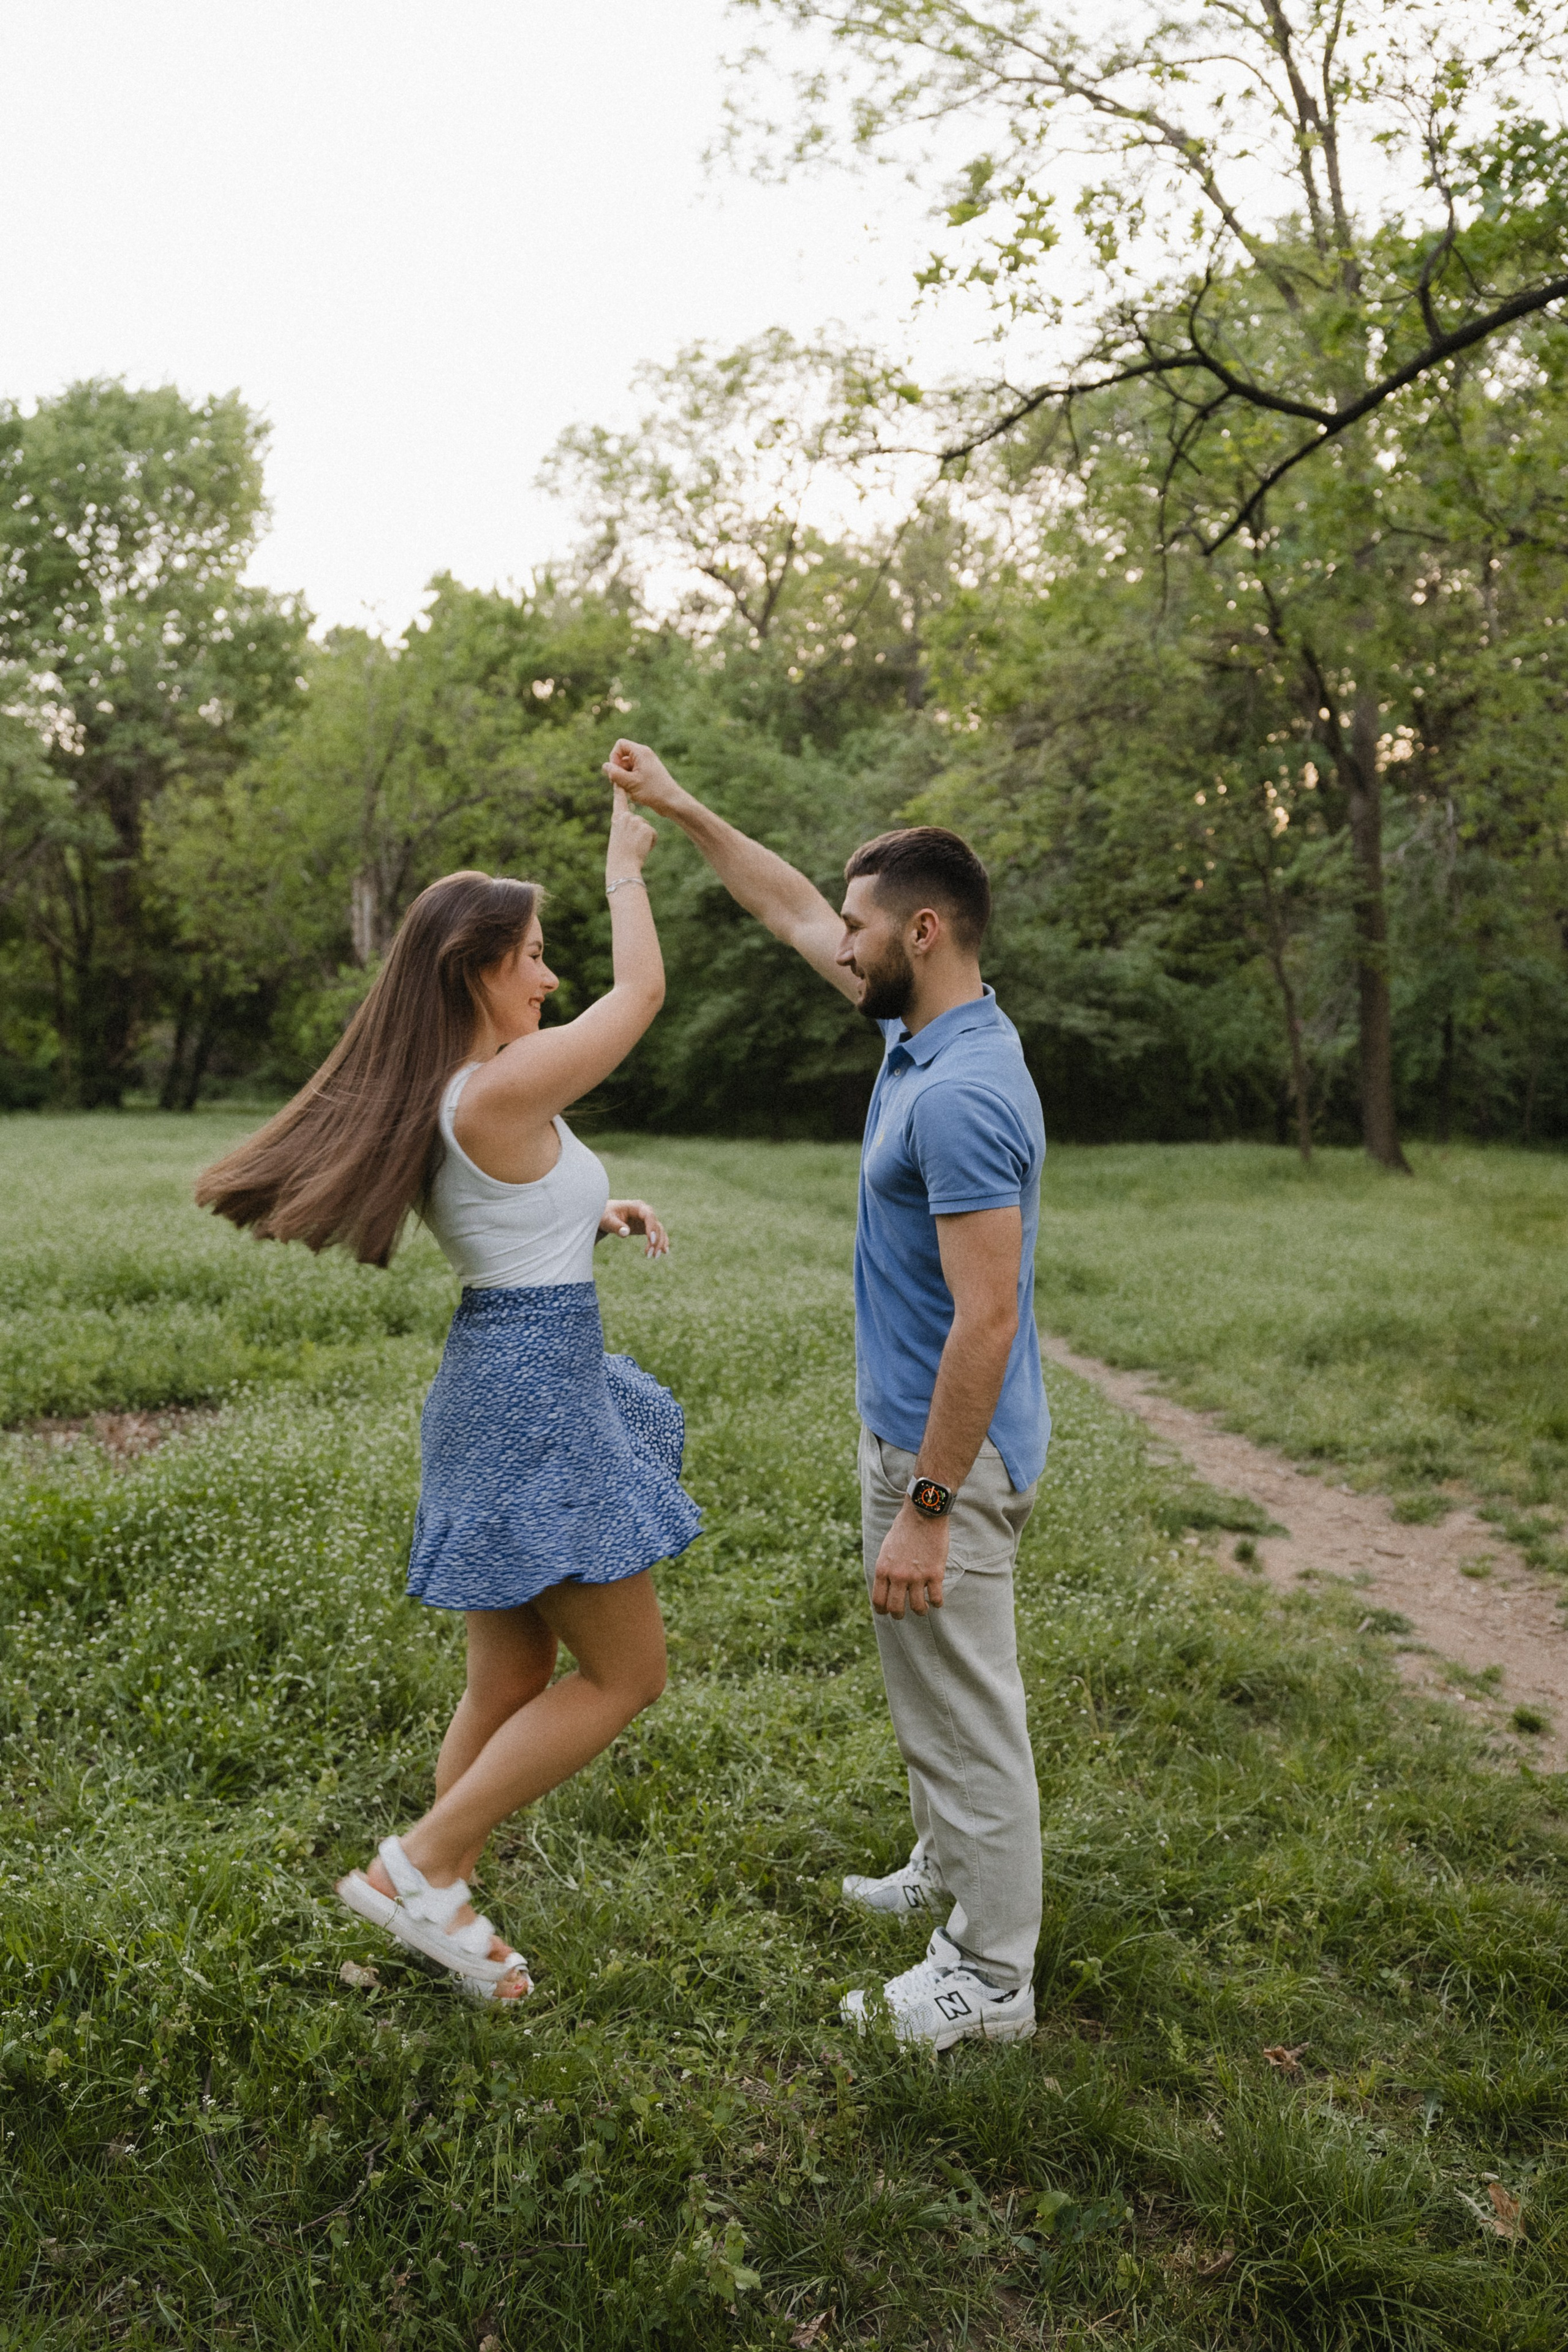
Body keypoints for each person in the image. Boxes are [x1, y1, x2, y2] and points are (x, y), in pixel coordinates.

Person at [195, 788, 699, 2003]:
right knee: (628, 1676)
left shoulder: (462, 1093)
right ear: (476, 967)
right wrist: (627, 861)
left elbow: (509, 1206)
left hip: (497, 1377)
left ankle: (439, 1890)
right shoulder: (490, 1094)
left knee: (509, 1679)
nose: (551, 976)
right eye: (532, 956)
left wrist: (592, 1212)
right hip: (533, 1396)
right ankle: (417, 1867)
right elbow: (640, 996)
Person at [607, 739, 1048, 2051]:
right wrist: (681, 807)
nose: (838, 946)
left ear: (923, 931)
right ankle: (946, 1863)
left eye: (860, 930)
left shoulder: (963, 1092)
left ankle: (990, 1976)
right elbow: (788, 904)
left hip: (950, 1458)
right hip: (916, 1437)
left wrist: (928, 1504)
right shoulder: (921, 1029)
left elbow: (988, 1317)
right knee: (930, 1686)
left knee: (969, 1707)